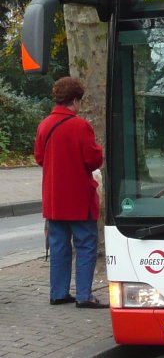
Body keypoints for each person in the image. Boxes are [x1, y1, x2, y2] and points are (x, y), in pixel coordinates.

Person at [34, 77, 107, 308]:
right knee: (86, 245)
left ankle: (58, 293)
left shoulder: (44, 125)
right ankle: (84, 295)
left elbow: (39, 158)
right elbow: (93, 159)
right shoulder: (80, 125)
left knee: (58, 246)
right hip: (79, 198)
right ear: (75, 100)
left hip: (54, 200)